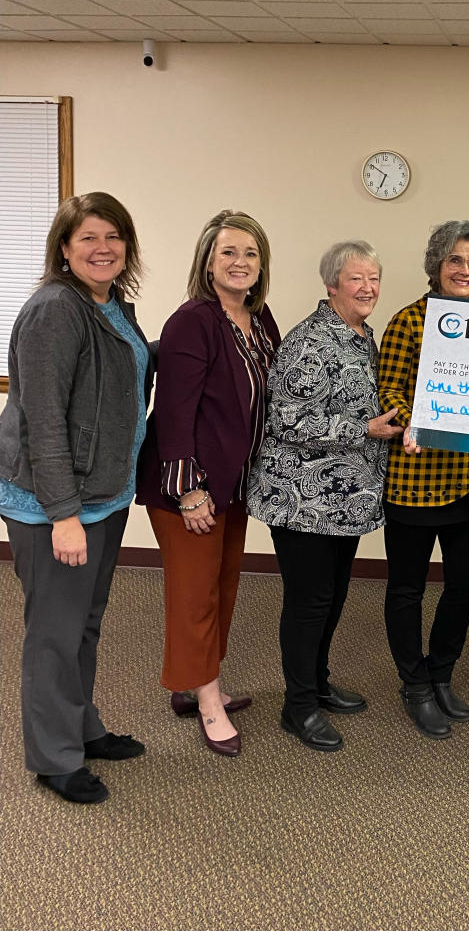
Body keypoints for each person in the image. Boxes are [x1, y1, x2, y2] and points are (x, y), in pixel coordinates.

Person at [0, 193, 153, 804]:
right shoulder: (54, 310)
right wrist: (63, 515)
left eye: (113, 236)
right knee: (54, 633)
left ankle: (81, 727)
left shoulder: (111, 305)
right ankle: (54, 756)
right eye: (88, 237)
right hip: (55, 504)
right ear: (64, 248)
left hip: (104, 495)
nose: (102, 248)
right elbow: (42, 419)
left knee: (84, 626)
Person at [136, 210, 280, 757]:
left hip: (234, 485)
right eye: (228, 252)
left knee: (220, 589)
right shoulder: (192, 320)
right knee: (196, 595)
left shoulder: (260, 320)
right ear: (207, 260)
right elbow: (173, 412)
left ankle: (195, 683)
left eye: (250, 253)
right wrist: (187, 489)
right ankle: (210, 700)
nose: (240, 262)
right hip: (190, 488)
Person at [247, 241, 400, 753]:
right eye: (356, 279)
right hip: (301, 498)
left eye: (374, 279)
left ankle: (316, 680)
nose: (368, 288)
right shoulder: (310, 340)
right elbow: (284, 418)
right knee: (309, 603)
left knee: (331, 597)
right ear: (331, 285)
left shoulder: (362, 338)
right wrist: (364, 427)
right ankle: (299, 707)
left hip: (346, 498)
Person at [378, 220, 469, 740]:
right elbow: (390, 391)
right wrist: (410, 425)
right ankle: (414, 684)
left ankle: (442, 672)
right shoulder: (408, 322)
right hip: (416, 479)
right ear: (436, 266)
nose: (465, 270)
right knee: (407, 589)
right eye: (456, 261)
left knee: (465, 586)